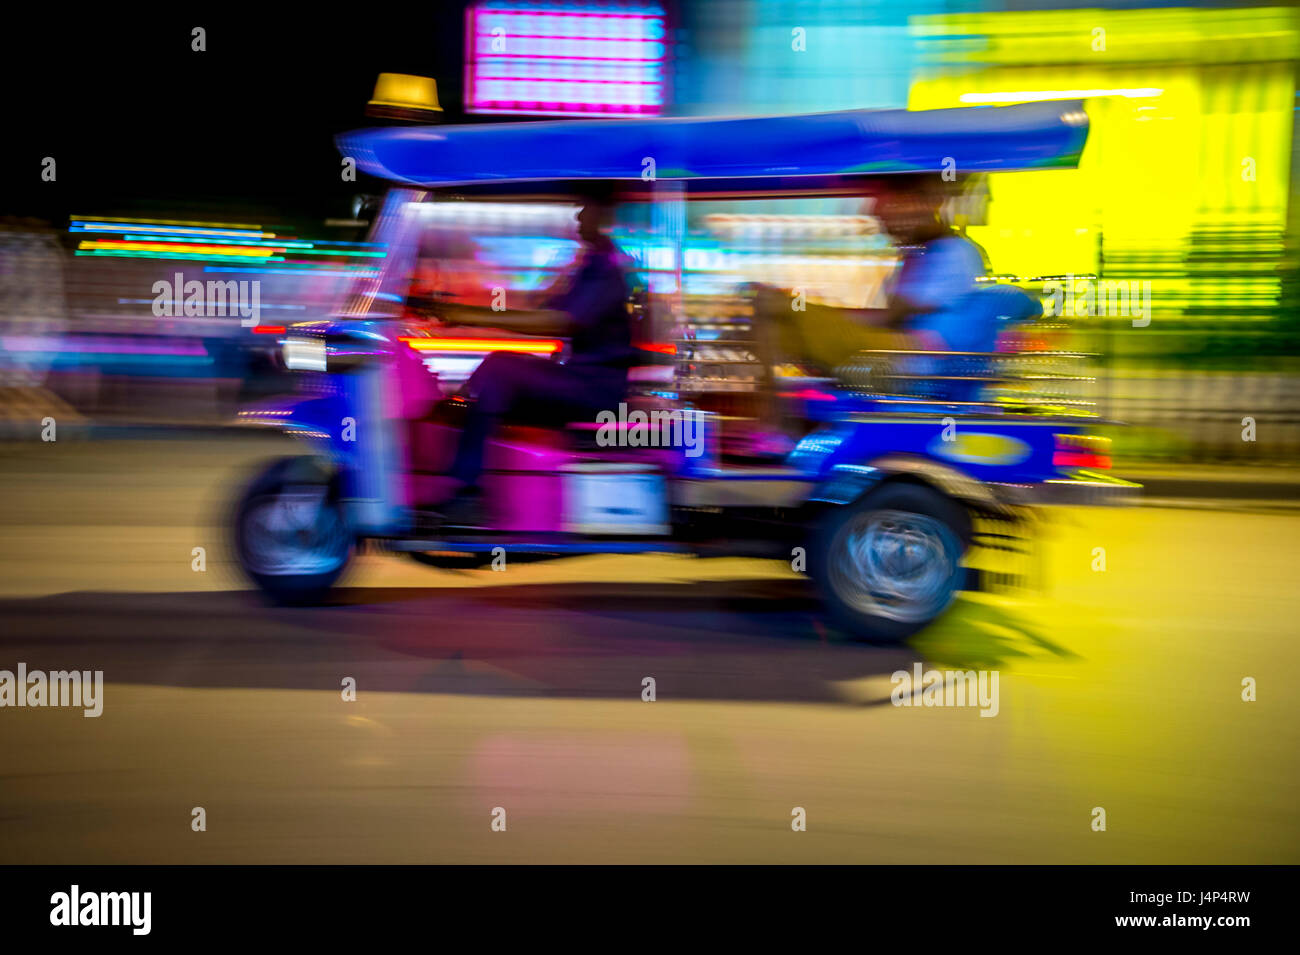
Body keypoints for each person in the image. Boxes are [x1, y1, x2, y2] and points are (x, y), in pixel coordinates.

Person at [430, 187, 635, 526]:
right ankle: (468, 474)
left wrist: (470, 315)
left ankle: (466, 491)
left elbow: (560, 322)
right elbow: (545, 311)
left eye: (585, 208)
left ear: (605, 218)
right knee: (492, 381)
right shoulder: (589, 265)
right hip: (584, 379)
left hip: (594, 388)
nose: (578, 217)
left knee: (499, 368)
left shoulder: (606, 268)